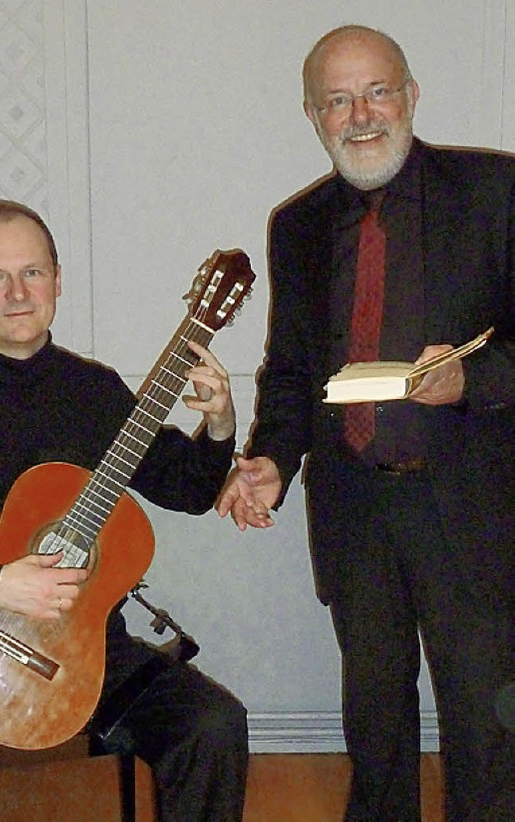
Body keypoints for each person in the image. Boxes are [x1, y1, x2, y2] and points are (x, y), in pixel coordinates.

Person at [219, 24, 514, 821]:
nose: (361, 114)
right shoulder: (299, 225)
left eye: (377, 90)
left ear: (411, 94)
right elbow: (289, 371)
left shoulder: (496, 192)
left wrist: (471, 380)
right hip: (356, 513)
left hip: (473, 509)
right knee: (375, 725)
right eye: (338, 100)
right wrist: (272, 460)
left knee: (487, 729)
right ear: (314, 115)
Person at [0, 198, 248, 821]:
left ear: (57, 278)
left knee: (212, 724)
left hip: (84, 655)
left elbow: (185, 489)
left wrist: (219, 424)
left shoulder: (93, 391)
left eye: (34, 272)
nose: (18, 292)